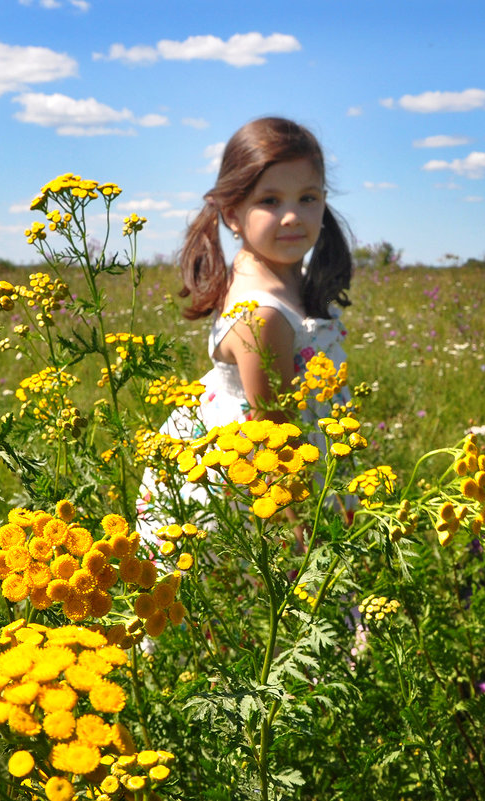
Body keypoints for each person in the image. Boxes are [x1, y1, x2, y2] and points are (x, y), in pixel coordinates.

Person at [136, 117, 353, 538]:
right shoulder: (263, 316)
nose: (292, 216)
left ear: (324, 201)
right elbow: (273, 437)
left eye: (307, 198)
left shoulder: (284, 272)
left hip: (303, 450)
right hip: (266, 480)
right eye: (270, 201)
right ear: (233, 214)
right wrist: (306, 539)